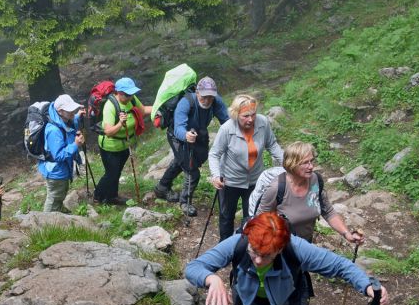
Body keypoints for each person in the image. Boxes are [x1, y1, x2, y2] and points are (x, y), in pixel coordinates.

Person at [186, 212, 388, 305]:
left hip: (287, 302)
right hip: (248, 298)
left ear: (280, 249)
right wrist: (212, 279)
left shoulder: (296, 247)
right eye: (253, 252)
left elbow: (340, 266)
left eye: (266, 255)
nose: (257, 260)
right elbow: (193, 267)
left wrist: (368, 286)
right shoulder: (239, 242)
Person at [257, 141, 365, 245]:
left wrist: (347, 234)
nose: (311, 166)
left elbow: (328, 211)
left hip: (306, 244)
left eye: (311, 161)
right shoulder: (276, 188)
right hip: (280, 247)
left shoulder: (315, 180)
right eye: (305, 163)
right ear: (292, 164)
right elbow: (260, 222)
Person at [208, 94, 283, 240]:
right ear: (236, 114)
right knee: (226, 216)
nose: (250, 119)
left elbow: (272, 145)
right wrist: (216, 175)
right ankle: (226, 247)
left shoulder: (263, 123)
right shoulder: (227, 129)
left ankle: (248, 248)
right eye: (245, 116)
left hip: (255, 180)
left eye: (253, 114)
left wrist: (288, 164)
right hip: (229, 181)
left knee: (252, 216)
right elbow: (214, 154)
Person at [154, 77, 229, 216]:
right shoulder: (186, 102)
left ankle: (162, 187)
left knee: (182, 161)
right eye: (204, 96)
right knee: (192, 171)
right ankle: (185, 202)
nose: (207, 100)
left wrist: (235, 135)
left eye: (210, 97)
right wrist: (186, 135)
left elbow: (226, 121)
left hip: (199, 133)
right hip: (177, 136)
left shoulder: (216, 101)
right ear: (197, 92)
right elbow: (178, 129)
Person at [93, 77, 152, 205]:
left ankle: (112, 196)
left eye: (132, 94)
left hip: (125, 145)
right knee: (111, 174)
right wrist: (120, 123)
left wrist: (159, 108)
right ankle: (98, 196)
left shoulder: (132, 99)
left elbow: (143, 111)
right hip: (110, 147)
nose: (131, 97)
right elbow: (108, 132)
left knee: (117, 172)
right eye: (127, 95)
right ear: (119, 93)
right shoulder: (110, 106)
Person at [38, 94, 85, 212]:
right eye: (70, 110)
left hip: (62, 169)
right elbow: (58, 155)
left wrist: (77, 116)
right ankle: (47, 221)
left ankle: (58, 209)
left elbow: (68, 123)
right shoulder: (54, 130)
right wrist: (76, 145)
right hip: (56, 172)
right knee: (54, 198)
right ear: (60, 111)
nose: (73, 112)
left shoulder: (61, 119)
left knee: (60, 194)